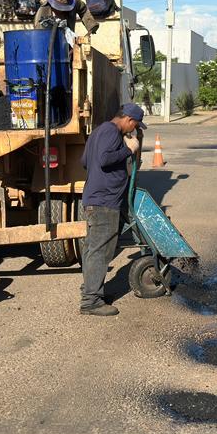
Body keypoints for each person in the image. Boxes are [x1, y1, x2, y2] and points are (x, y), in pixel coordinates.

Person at [77, 103, 145, 317]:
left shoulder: (98, 131)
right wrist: (128, 149)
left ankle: (91, 291)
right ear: (128, 120)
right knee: (100, 252)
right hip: (104, 201)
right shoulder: (111, 131)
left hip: (95, 198)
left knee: (92, 250)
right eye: (135, 125)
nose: (133, 129)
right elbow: (105, 159)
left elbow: (85, 161)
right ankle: (91, 301)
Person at [34, 0, 100, 34]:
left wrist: (91, 26)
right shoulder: (43, 11)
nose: (60, 11)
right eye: (57, 8)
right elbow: (39, 36)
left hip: (69, 41)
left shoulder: (74, 3)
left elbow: (83, 9)